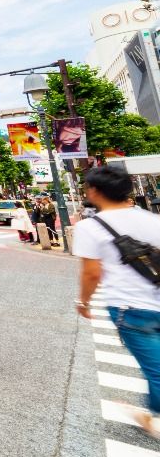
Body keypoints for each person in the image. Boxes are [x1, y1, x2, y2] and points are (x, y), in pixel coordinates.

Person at [74, 165, 160, 436]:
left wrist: (84, 302)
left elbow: (91, 273)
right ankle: (151, 417)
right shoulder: (152, 219)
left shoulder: (89, 227)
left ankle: (153, 420)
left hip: (129, 307)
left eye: (88, 187)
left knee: (156, 371)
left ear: (96, 191)